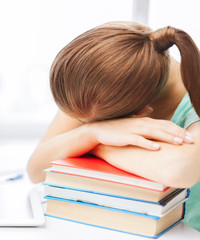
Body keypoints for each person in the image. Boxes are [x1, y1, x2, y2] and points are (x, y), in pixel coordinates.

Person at [27, 21, 200, 231]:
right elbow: (37, 169)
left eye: (93, 124)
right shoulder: (99, 84)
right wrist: (91, 133)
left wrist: (94, 143)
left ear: (141, 112)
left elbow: (179, 170)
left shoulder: (120, 88)